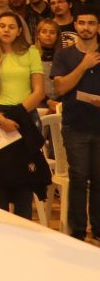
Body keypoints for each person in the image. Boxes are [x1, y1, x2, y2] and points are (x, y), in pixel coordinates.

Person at [0, 11, 50, 219]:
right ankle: (1, 229)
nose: (6, 30)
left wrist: (17, 115)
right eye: (2, 26)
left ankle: (24, 227)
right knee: (0, 178)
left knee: (23, 177)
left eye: (11, 27)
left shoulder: (31, 52)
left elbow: (39, 91)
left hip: (24, 116)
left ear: (19, 31)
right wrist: (1, 119)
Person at [51, 12, 100, 239]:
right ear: (75, 25)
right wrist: (83, 65)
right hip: (75, 125)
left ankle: (98, 228)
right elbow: (60, 89)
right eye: (82, 23)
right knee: (79, 177)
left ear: (98, 26)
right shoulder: (64, 55)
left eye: (91, 23)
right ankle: (78, 229)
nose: (86, 27)